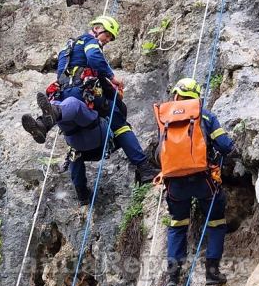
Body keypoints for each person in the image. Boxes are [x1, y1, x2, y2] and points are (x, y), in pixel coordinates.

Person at [21, 16, 158, 203]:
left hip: (62, 97)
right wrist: (112, 78)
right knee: (119, 121)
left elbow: (61, 74)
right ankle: (145, 169)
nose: (108, 40)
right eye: (108, 35)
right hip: (81, 94)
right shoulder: (89, 41)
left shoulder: (66, 48)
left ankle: (43, 124)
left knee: (72, 146)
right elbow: (94, 59)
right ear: (97, 28)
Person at [153, 78, 235, 286]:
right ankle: (212, 273)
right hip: (203, 181)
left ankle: (172, 276)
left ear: (176, 95)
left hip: (174, 184)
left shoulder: (165, 117)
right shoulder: (205, 115)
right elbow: (226, 146)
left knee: (178, 224)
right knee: (216, 222)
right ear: (197, 96)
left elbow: (157, 152)